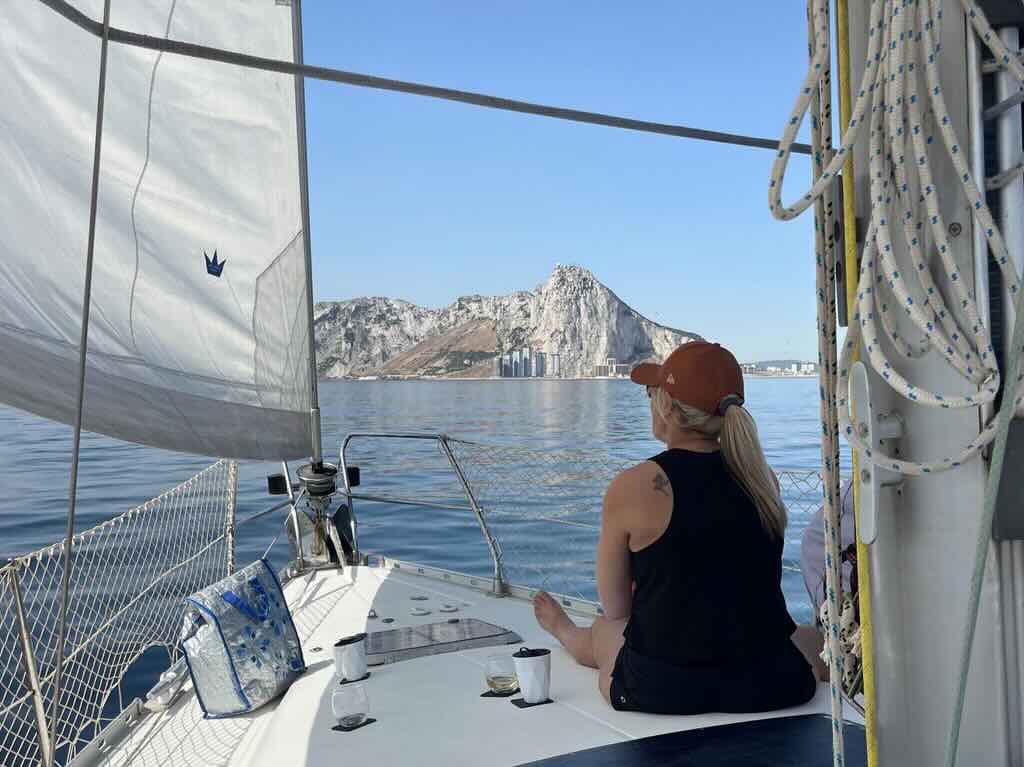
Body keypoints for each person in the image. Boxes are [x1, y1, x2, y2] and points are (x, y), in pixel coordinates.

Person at [533, 341, 817, 714]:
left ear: (666, 406)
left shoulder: (634, 485)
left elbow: (617, 606)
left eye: (652, 394)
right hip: (773, 681)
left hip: (662, 688)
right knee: (803, 637)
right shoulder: (762, 480)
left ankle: (568, 634)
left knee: (607, 629)